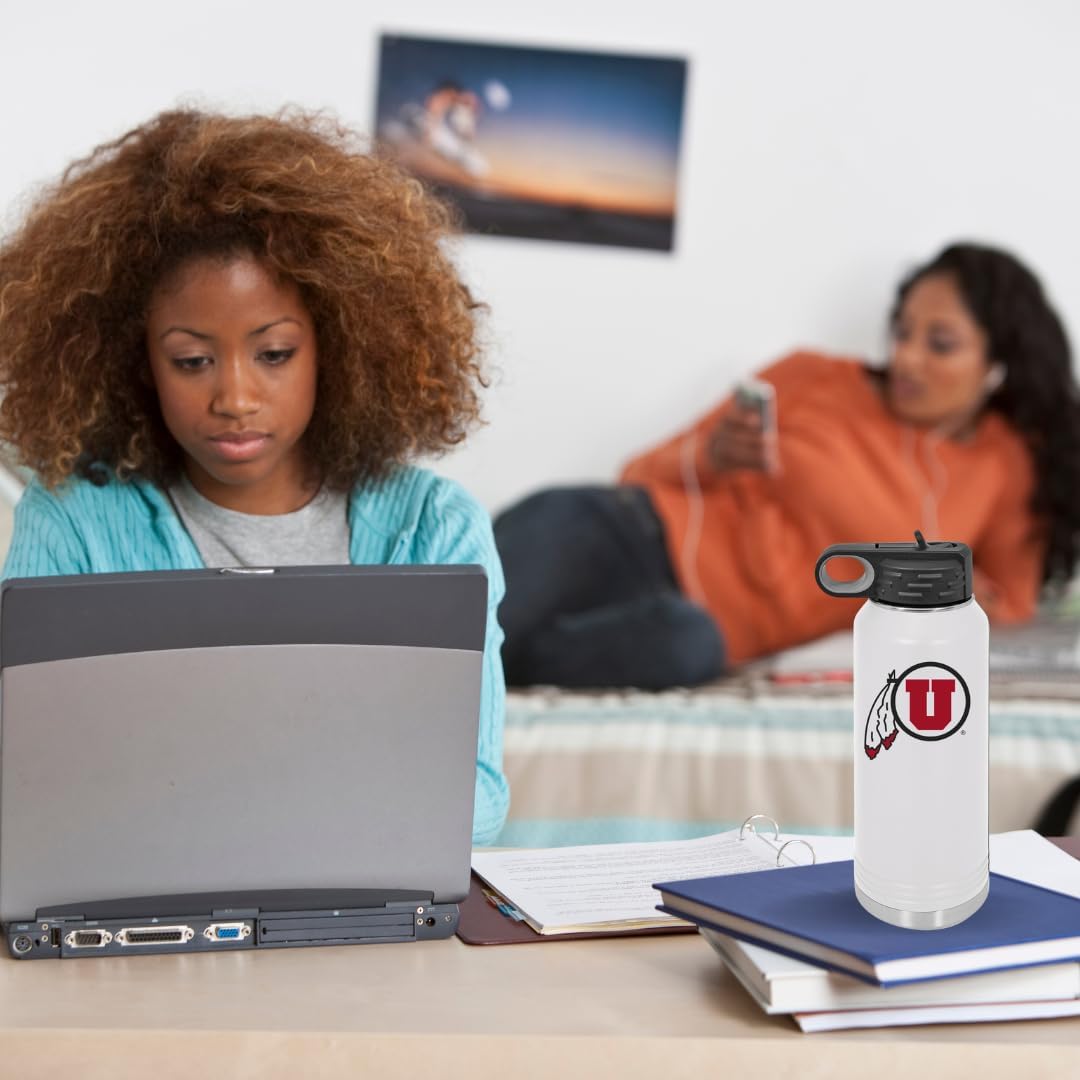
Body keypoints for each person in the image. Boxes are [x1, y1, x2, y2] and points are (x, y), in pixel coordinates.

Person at [0, 108, 510, 844]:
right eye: (192, 360)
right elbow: (26, 777)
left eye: (274, 354)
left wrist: (219, 805)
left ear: (339, 343)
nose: (235, 398)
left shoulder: (435, 528)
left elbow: (478, 800)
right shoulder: (72, 521)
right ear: (136, 361)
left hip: (351, 897)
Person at [495, 243, 1080, 690]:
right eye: (902, 332)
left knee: (684, 646)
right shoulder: (812, 376)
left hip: (700, 626)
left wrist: (935, 586)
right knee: (460, 636)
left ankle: (503, 672)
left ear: (997, 365)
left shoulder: (1004, 462)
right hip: (621, 532)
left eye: (940, 344)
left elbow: (1009, 604)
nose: (906, 357)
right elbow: (638, 471)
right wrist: (713, 455)